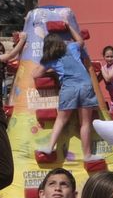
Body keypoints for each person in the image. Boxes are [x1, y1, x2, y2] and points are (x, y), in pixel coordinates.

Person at [38, 24, 100, 163]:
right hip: (85, 85)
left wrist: (51, 71)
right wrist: (69, 26)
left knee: (60, 120)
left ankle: (49, 146)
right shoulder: (71, 48)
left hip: (69, 87)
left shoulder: (50, 59)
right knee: (85, 123)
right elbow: (81, 41)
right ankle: (87, 155)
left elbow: (35, 74)